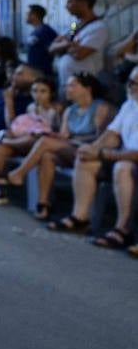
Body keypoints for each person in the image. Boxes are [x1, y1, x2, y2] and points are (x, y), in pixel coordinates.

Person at [0, 72, 114, 220]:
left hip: (91, 152)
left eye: (72, 86)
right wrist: (54, 136)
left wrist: (71, 139)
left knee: (45, 143)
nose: (67, 89)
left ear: (88, 89)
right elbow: (64, 135)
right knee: (47, 156)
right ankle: (43, 204)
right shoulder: (70, 110)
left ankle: (18, 175)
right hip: (72, 149)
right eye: (66, 86)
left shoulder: (100, 107)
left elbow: (102, 138)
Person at [49, 71, 138, 247]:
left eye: (135, 83)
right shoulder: (130, 104)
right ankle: (80, 217)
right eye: (130, 81)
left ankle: (122, 229)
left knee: (122, 167)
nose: (130, 86)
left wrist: (102, 154)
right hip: (124, 155)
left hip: (131, 161)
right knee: (86, 158)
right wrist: (93, 148)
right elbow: (112, 134)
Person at [49, 0, 108, 90]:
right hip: (65, 82)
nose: (66, 6)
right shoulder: (74, 26)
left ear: (83, 4)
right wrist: (68, 45)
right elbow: (52, 47)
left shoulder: (98, 28)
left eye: (70, 2)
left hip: (83, 85)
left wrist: (64, 46)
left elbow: (80, 54)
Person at [22, 4, 57, 77]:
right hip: (34, 72)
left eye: (27, 14)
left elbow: (51, 50)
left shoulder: (45, 31)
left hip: (42, 73)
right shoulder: (35, 31)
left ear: (34, 15)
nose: (25, 16)